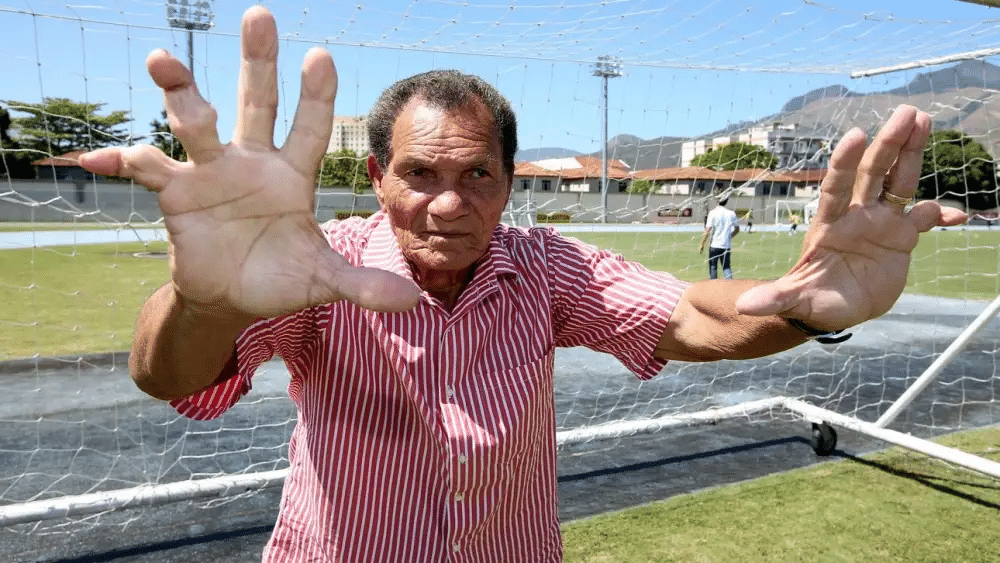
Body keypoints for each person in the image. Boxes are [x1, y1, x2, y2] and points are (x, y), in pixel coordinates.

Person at [78, 6, 966, 562]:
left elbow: (692, 313)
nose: (446, 203)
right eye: (420, 174)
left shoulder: (546, 268)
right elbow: (172, 377)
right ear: (380, 177)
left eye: (478, 177)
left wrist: (808, 307)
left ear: (511, 182)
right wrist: (207, 297)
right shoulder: (322, 270)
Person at [698, 197, 740, 279]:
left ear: (717, 201)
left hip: (714, 245)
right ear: (727, 201)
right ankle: (731, 286)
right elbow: (737, 229)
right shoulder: (731, 213)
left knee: (713, 267)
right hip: (726, 246)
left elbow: (707, 230)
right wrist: (729, 236)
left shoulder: (712, 213)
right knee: (726, 267)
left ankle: (713, 287)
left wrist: (702, 244)